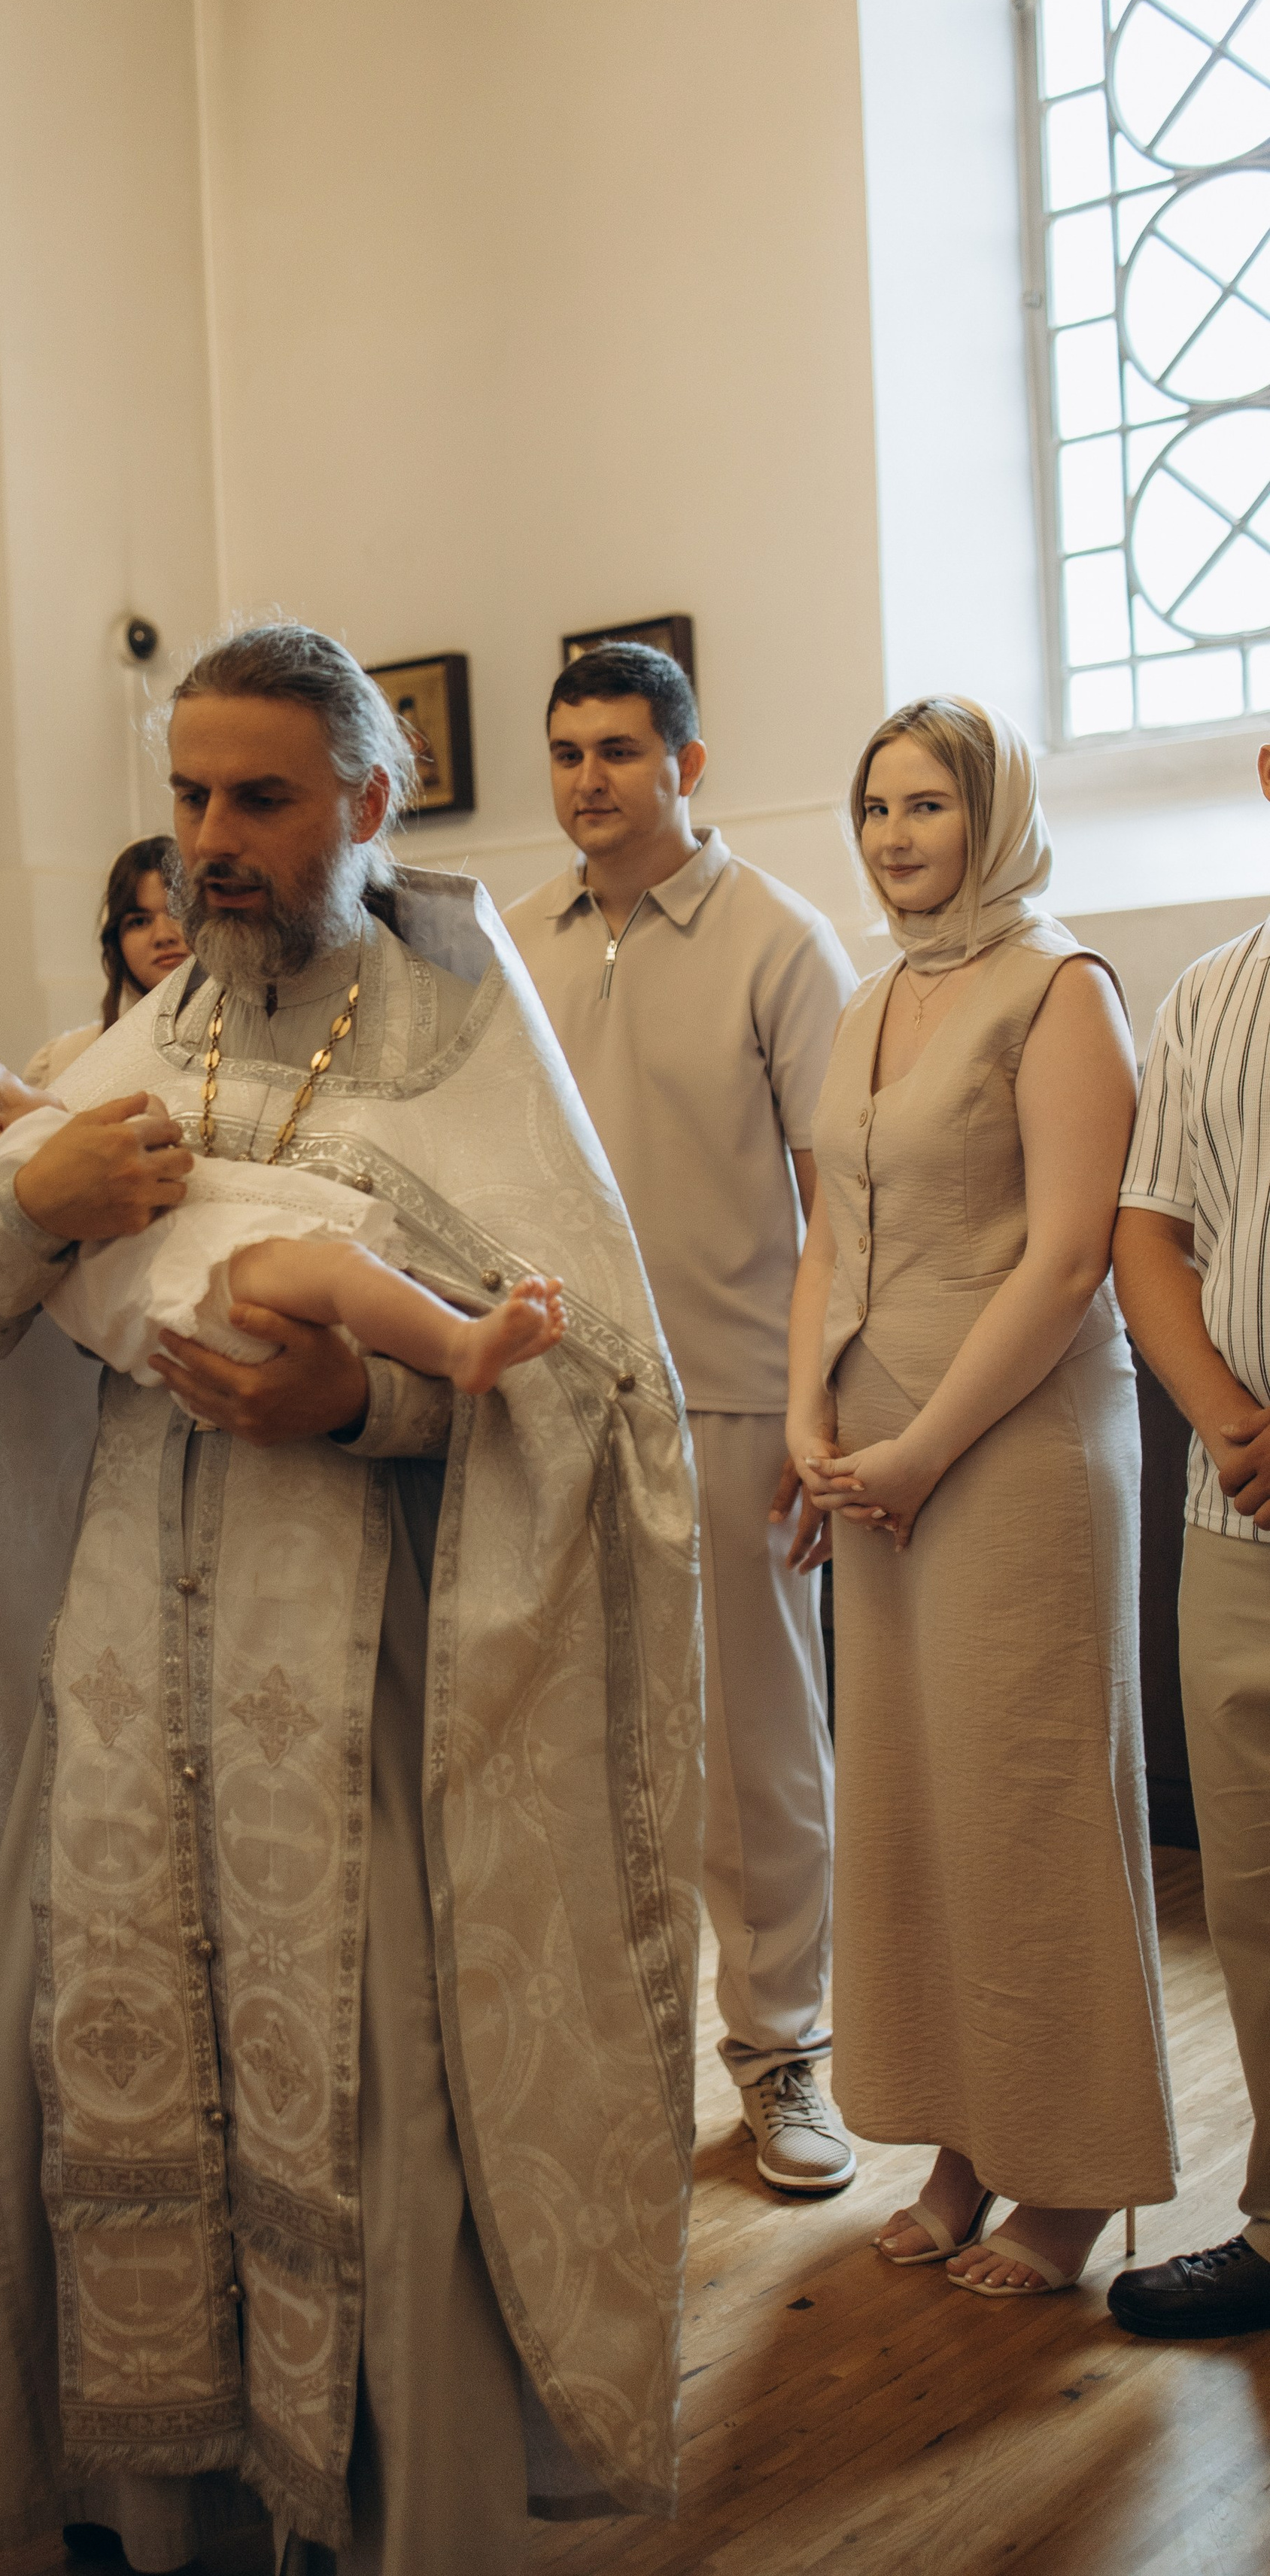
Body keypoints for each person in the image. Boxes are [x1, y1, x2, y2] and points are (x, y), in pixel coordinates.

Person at [0, 623, 703, 2572]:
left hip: (360, 1698)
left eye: (259, 798)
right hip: (119, 1680)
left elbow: (598, 1403)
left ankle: (364, 2508)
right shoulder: (136, 1043)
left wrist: (363, 1403)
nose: (212, 841)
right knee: (106, 2079)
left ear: (368, 799)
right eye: (187, 798)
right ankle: (144, 2505)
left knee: (370, 2097)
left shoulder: (467, 1043)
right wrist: (31, 1204)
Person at [787, 697, 1175, 2296]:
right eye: (875, 807)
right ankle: (960, 2138)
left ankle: (1072, 2176)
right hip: (873, 1451)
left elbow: (1070, 1258)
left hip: (1010, 1450)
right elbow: (826, 1233)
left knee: (1025, 1804)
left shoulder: (1060, 988)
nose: (894, 836)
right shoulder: (869, 996)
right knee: (914, 1807)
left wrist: (922, 1447)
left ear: (994, 813)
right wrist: (809, 1419)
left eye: (927, 805)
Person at [506, 643, 858, 2196]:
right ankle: (607, 2055)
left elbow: (841, 1206)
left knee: (753, 1755)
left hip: (733, 1397)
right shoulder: (514, 939)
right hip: (549, 1399)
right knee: (566, 1746)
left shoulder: (781, 939)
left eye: (619, 751)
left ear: (685, 765)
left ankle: (781, 2054)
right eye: (567, 751)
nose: (588, 779)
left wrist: (816, 1410)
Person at [1106, 742, 1270, 2341]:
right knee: (1255, 1900)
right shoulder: (1209, 993)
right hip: (1237, 1506)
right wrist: (1219, 1415)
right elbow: (1147, 1230)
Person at [0, 1048, 567, 1393]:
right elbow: (148, 1119)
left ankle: (456, 1337)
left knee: (353, 1281)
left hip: (162, 1325)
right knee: (350, 1272)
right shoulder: (31, 1148)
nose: (50, 1093)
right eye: (21, 1085)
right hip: (193, 1273)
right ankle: (459, 1344)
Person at [26, 833, 191, 1088]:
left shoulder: (248, 1042)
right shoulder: (65, 1061)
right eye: (139, 921)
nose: (163, 936)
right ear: (115, 942)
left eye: (178, 912)